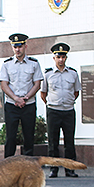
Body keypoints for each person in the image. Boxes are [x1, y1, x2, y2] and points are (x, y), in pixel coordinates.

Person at [40, 42, 81, 177]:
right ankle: (54, 168)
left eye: (63, 57)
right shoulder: (48, 74)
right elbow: (43, 94)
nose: (61, 60)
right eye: (58, 57)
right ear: (54, 58)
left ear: (66, 58)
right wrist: (52, 103)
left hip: (68, 110)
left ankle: (70, 169)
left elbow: (76, 92)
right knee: (53, 141)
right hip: (53, 110)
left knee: (69, 141)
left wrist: (67, 101)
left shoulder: (73, 73)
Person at [0, 33, 43, 157]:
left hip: (28, 104)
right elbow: (4, 85)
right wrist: (16, 98)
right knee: (10, 137)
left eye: (20, 46)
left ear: (25, 46)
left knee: (29, 136)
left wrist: (26, 98)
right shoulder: (7, 64)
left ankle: (28, 164)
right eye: (15, 47)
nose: (17, 49)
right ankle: (7, 163)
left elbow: (37, 84)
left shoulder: (34, 63)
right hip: (12, 104)